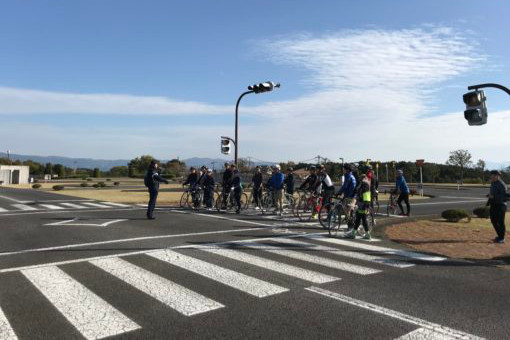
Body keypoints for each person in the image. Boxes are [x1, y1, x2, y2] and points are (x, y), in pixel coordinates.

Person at [347, 174, 372, 240]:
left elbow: (359, 194)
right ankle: (355, 233)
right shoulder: (366, 184)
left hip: (362, 204)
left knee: (361, 219)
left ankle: (365, 234)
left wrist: (355, 202)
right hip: (364, 203)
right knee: (360, 218)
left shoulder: (363, 184)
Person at [488, 170, 507, 243]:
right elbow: (493, 192)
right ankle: (499, 235)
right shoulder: (493, 183)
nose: (491, 176)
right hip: (494, 204)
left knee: (500, 222)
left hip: (501, 205)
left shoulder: (502, 184)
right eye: (491, 175)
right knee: (493, 220)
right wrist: (490, 195)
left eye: (493, 175)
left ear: (497, 176)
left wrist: (493, 196)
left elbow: (504, 196)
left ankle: (502, 238)